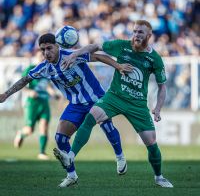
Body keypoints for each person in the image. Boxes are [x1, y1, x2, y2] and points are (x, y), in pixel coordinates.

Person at [0, 33, 133, 187]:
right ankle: (71, 175)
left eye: (49, 48)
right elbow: (25, 80)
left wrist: (119, 66)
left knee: (106, 125)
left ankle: (120, 156)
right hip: (75, 104)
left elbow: (98, 57)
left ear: (57, 46)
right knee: (60, 138)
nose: (46, 53)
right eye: (42, 50)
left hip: (95, 98)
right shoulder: (45, 68)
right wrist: (6, 94)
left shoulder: (72, 55)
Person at [53, 20, 174, 188]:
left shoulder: (154, 59)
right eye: (135, 31)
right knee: (91, 117)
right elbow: (94, 47)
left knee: (151, 143)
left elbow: (162, 87)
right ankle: (70, 156)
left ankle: (159, 177)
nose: (136, 35)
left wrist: (158, 108)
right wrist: (74, 54)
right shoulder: (121, 46)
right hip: (114, 96)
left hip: (137, 104)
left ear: (149, 35)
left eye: (141, 32)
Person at [13, 51, 60, 160]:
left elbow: (47, 86)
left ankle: (42, 153)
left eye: (44, 56)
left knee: (44, 127)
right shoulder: (31, 68)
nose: (42, 57)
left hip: (44, 103)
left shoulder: (47, 70)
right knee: (29, 130)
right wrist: (29, 92)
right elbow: (22, 84)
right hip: (32, 103)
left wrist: (54, 95)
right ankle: (21, 133)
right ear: (36, 57)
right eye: (40, 55)